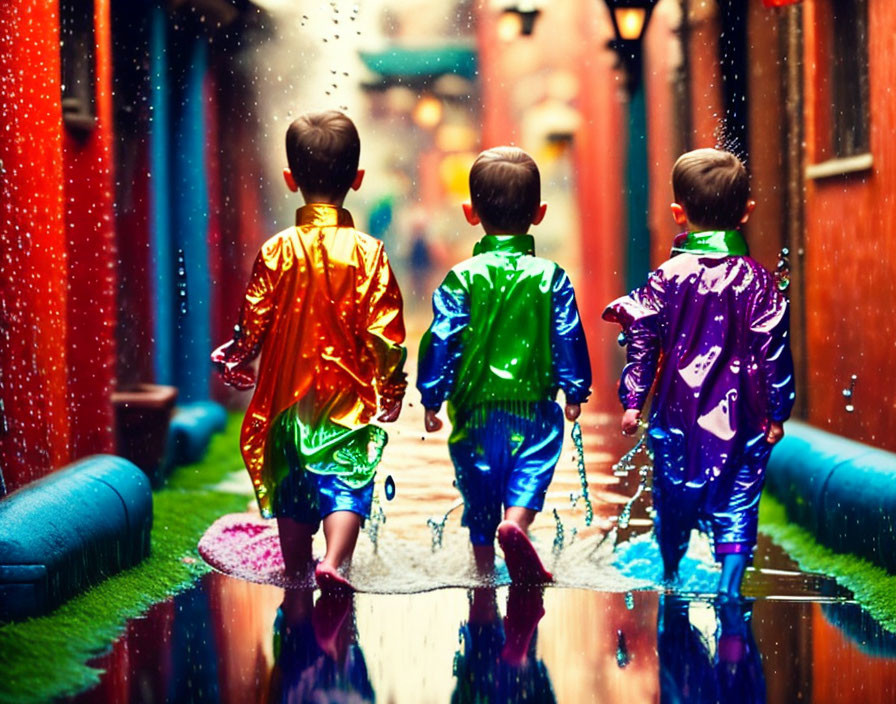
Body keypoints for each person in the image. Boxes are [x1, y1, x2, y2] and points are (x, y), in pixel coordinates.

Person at [211, 110, 407, 591]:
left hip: (286, 406)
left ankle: (298, 570)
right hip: (346, 404)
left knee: (292, 494)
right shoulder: (369, 253)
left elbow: (252, 318)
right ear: (358, 180)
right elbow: (386, 332)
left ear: (290, 178)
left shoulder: (276, 250)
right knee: (346, 485)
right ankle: (336, 560)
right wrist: (392, 385)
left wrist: (235, 354)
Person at [603, 148, 795, 597]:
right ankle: (730, 587)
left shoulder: (667, 277)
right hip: (744, 416)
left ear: (678, 213)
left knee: (673, 498)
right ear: (746, 212)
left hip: (677, 416)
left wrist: (633, 400)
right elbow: (774, 350)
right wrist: (777, 411)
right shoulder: (759, 280)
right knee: (739, 499)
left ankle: (670, 575)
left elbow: (643, 341)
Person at [417, 146, 591, 583]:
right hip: (533, 406)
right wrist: (575, 389)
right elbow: (567, 333)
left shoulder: (462, 276)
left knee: (478, 491)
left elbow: (442, 336)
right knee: (529, 473)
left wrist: (431, 396)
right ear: (540, 212)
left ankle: (482, 576)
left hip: (474, 411)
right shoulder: (551, 277)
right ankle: (516, 524)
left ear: (470, 212)